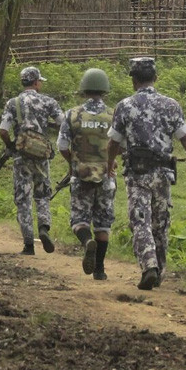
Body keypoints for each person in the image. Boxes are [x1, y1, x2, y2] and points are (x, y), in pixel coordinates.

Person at [106, 57, 186, 290]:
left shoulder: (124, 106)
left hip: (136, 173)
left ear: (133, 81)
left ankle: (149, 266)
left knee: (140, 220)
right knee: (160, 222)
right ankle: (159, 270)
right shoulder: (171, 105)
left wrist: (110, 163)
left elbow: (113, 142)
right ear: (156, 78)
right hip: (163, 172)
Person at [0, 66, 66, 256]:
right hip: (42, 156)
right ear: (36, 82)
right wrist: (47, 125)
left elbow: (3, 130)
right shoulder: (49, 102)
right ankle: (44, 227)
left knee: (23, 199)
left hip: (21, 157)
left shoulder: (13, 103)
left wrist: (11, 146)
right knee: (43, 194)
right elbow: (63, 123)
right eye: (40, 81)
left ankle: (29, 244)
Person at [59, 68, 116, 281]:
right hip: (106, 175)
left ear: (84, 89)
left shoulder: (72, 114)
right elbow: (121, 144)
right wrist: (111, 161)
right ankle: (100, 270)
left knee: (79, 219)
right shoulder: (113, 115)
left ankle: (86, 242)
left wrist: (72, 162)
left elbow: (62, 145)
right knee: (103, 222)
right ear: (105, 90)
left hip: (80, 174)